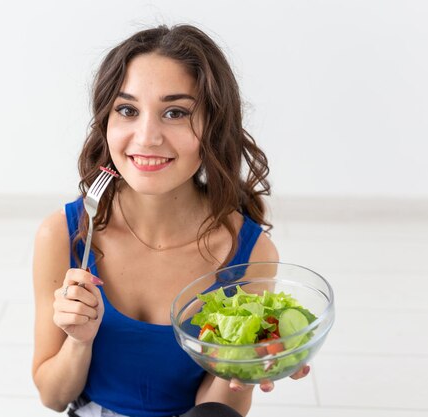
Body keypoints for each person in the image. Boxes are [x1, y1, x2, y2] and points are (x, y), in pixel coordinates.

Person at [31, 24, 309, 417]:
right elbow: (53, 397)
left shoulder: (248, 253)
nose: (146, 137)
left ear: (213, 127)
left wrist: (244, 367)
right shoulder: (64, 234)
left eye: (175, 113)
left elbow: (217, 411)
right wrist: (79, 339)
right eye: (127, 110)